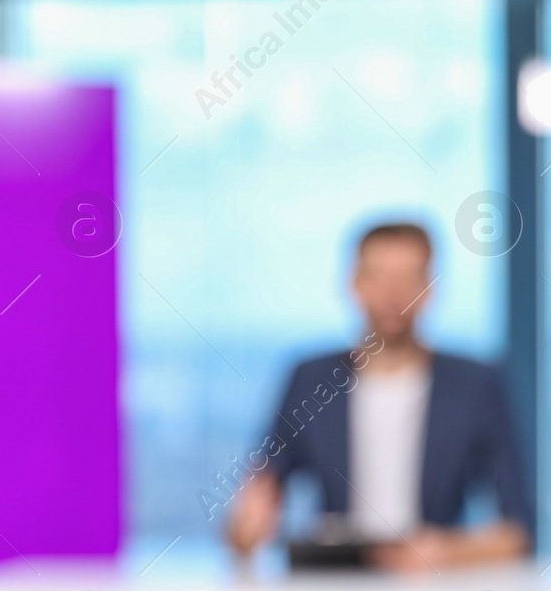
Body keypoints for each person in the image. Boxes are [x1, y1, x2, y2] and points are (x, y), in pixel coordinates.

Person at [227, 222, 531, 571]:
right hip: (331, 585)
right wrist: (246, 528)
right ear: (354, 284)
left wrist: (447, 552)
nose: (393, 294)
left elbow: (519, 531)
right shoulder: (311, 380)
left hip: (437, 587)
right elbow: (254, 508)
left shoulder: (475, 385)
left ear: (430, 289)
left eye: (407, 278)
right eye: (378, 277)